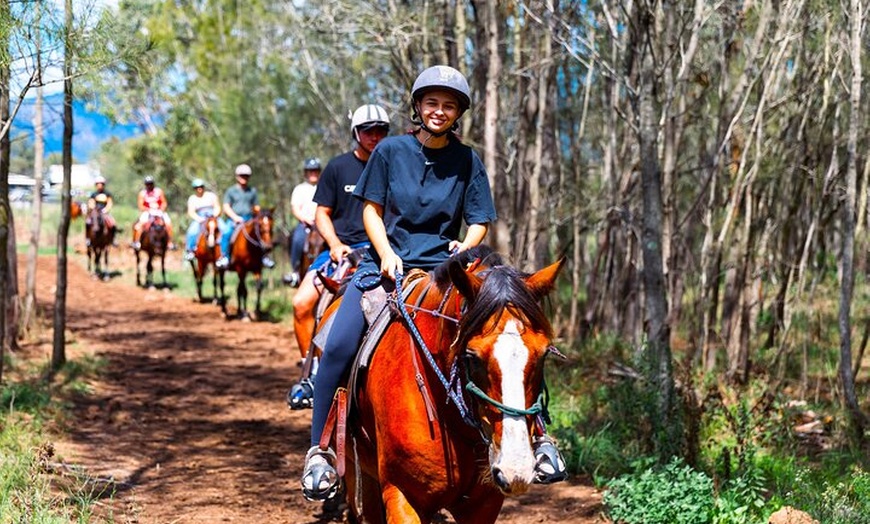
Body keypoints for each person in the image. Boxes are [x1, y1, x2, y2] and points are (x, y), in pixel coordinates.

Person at [299, 65, 568, 502]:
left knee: (510, 336)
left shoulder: (467, 160)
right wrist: (386, 253)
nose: (439, 111)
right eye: (432, 103)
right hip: (386, 265)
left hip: (450, 267)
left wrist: (466, 243)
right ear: (418, 108)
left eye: (448, 105)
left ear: (458, 112)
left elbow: (479, 219)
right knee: (340, 343)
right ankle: (321, 450)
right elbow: (370, 210)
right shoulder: (389, 152)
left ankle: (539, 439)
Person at [290, 104, 390, 362]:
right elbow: (322, 212)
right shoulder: (337, 167)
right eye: (368, 131)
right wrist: (334, 244)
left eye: (381, 130)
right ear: (356, 133)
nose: (375, 136)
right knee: (301, 304)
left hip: (382, 251)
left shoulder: (393, 167)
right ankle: (310, 370)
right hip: (341, 251)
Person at [215, 163, 276, 269]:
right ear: (237, 176)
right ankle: (224, 257)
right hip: (234, 219)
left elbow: (256, 206)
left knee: (260, 233)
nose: (244, 178)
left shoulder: (252, 191)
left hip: (250, 219)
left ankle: (264, 257)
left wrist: (261, 213)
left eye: (246, 176)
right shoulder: (231, 191)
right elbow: (226, 207)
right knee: (226, 234)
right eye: (242, 175)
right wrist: (235, 218)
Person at [284, 158, 322, 287]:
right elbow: (295, 209)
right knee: (297, 239)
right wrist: (306, 219)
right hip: (306, 224)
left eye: (315, 171)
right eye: (310, 171)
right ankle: (295, 271)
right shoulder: (299, 189)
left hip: (323, 224)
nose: (313, 174)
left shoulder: (324, 186)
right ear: (306, 173)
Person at [183, 178, 222, 261]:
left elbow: (217, 207)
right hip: (200, 217)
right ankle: (190, 251)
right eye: (197, 187)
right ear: (194, 189)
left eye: (201, 186)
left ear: (204, 187)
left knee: (224, 229)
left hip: (213, 217)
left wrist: (215, 215)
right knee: (191, 232)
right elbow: (191, 212)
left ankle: (224, 251)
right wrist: (199, 219)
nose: (199, 188)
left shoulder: (211, 195)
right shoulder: (192, 198)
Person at [132, 175, 174, 250]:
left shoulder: (159, 191)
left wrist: (161, 209)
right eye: (148, 184)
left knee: (168, 224)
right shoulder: (142, 193)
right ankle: (137, 242)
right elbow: (140, 205)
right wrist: (148, 209)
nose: (149, 185)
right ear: (145, 185)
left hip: (159, 211)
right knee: (139, 225)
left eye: (151, 184)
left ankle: (169, 243)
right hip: (147, 212)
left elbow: (164, 203)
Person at [86, 175, 117, 245]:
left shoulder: (107, 194)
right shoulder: (93, 194)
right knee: (88, 222)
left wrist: (105, 209)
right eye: (98, 184)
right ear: (96, 185)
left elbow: (109, 203)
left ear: (103, 185)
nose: (99, 186)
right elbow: (91, 203)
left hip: (105, 212)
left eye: (101, 184)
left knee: (112, 223)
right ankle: (88, 239)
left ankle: (113, 239)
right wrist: (94, 209)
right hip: (95, 212)